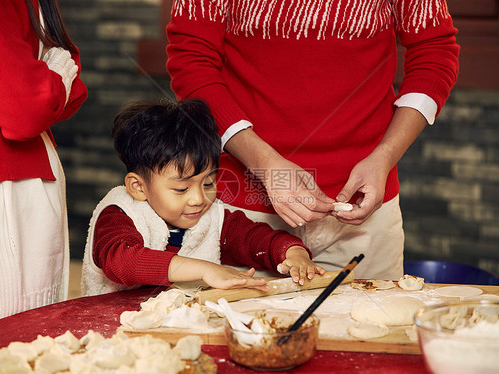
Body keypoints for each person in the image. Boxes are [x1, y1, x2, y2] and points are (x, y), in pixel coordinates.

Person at [165, 0, 460, 279]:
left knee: (370, 332)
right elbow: (191, 62)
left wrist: (385, 156)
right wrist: (266, 164)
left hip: (367, 213)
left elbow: (434, 52)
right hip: (245, 218)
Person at [81, 99, 325, 296]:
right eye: (181, 189)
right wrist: (206, 270)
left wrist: (292, 252)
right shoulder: (120, 213)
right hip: (115, 332)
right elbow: (122, 260)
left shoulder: (212, 217)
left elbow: (254, 239)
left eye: (208, 183)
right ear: (138, 186)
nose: (199, 198)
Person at [0, 0, 87, 325]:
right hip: (1, 180)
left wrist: (45, 85)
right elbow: (25, 107)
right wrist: (52, 78)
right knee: (10, 338)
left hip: (17, 171)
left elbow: (68, 76)